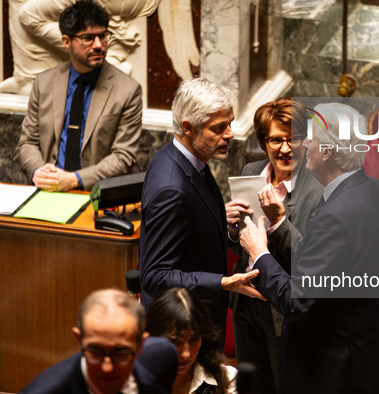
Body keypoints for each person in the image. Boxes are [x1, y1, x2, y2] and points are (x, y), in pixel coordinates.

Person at [240, 103, 379, 393]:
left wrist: (260, 253)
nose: (305, 144)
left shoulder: (335, 214)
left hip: (328, 373)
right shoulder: (376, 192)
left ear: (327, 152)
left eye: (311, 138)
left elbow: (296, 302)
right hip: (366, 362)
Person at [139, 77, 264, 340]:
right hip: (180, 329)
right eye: (218, 128)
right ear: (188, 127)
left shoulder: (177, 156)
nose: (229, 133)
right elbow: (155, 277)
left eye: (229, 123)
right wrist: (223, 282)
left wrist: (225, 226)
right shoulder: (172, 189)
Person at [225, 97, 323, 394]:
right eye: (276, 140)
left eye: (293, 139)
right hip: (247, 304)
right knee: (253, 386)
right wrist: (230, 228)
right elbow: (242, 241)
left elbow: (313, 261)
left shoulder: (319, 189)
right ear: (263, 141)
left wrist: (280, 222)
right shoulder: (249, 172)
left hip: (285, 309)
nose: (285, 149)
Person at [16, 0, 143, 192]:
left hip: (93, 194)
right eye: (88, 38)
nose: (99, 45)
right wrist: (37, 172)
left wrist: (75, 179)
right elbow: (28, 142)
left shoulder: (127, 90)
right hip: (45, 190)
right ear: (66, 41)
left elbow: (124, 156)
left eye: (103, 36)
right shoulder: (44, 83)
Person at [21, 289, 178, 394]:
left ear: (141, 345)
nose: (107, 367)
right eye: (95, 351)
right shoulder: (44, 391)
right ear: (79, 339)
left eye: (121, 353)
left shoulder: (163, 357)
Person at [146, 287, 237, 394]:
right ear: (153, 337)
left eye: (194, 339)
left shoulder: (227, 378)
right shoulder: (132, 381)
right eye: (175, 341)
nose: (186, 354)